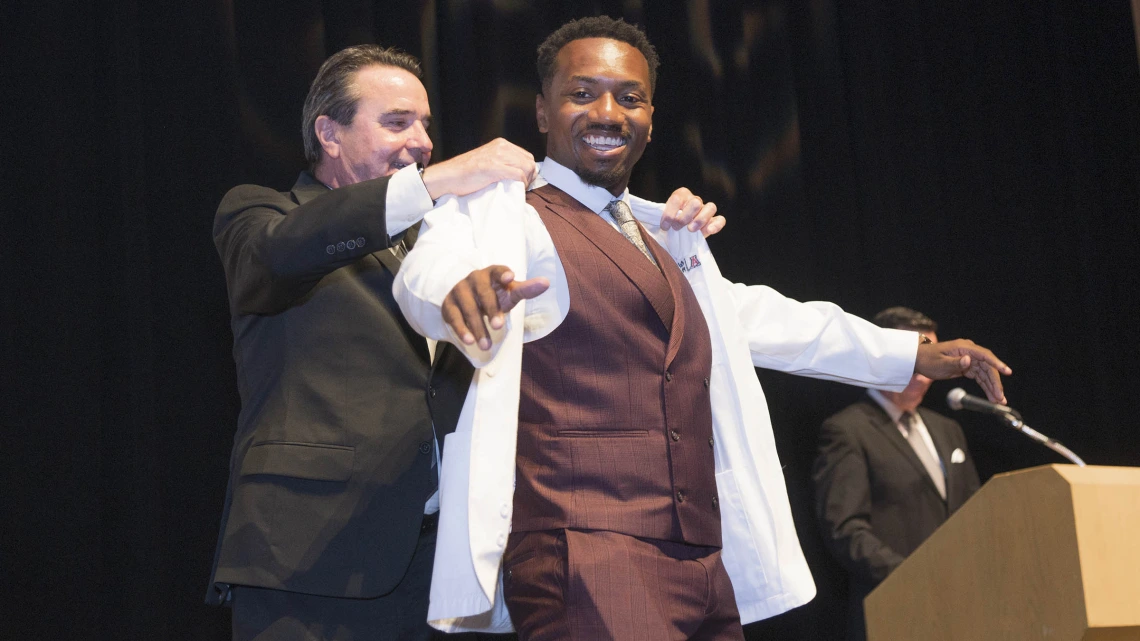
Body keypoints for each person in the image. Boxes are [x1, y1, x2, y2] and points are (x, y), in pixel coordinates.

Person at [393, 16, 1011, 641]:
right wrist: (453, 293)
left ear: (651, 119)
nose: (607, 111)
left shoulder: (658, 233)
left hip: (700, 559)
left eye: (629, 98)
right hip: (581, 549)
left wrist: (909, 354)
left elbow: (770, 320)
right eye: (582, 93)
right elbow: (428, 267)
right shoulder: (507, 213)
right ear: (543, 113)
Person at [206, 43, 719, 641]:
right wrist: (435, 181)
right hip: (309, 559)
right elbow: (280, 252)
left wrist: (658, 225)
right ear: (329, 133)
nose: (421, 141)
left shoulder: (453, 234)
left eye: (425, 125)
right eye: (397, 123)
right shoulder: (261, 213)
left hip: (448, 564)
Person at [813, 307, 982, 641]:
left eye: (932, 359)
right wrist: (914, 576)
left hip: (963, 607)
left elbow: (975, 512)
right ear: (886, 356)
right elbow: (844, 530)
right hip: (893, 608)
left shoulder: (948, 430)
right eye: (917, 359)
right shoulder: (848, 430)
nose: (923, 374)